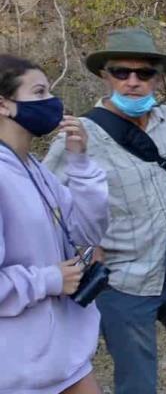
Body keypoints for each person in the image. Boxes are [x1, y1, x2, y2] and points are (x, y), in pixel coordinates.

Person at [44, 27, 166, 394]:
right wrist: (83, 252)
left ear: (158, 78)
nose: (133, 82)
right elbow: (46, 207)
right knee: (137, 382)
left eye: (144, 73)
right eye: (122, 72)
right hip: (122, 281)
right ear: (105, 76)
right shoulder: (79, 136)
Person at [0, 54, 109, 393]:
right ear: (4, 105)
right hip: (16, 371)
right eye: (40, 92)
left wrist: (80, 161)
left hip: (66, 358)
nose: (52, 103)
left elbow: (89, 231)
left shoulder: (34, 169)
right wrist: (49, 279)